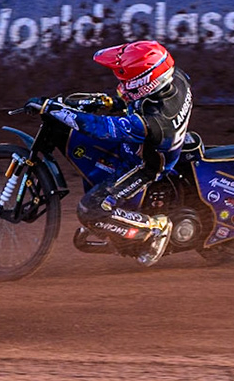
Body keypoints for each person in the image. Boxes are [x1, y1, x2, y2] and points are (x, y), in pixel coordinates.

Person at [47, 41, 193, 267]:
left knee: (91, 210)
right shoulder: (176, 78)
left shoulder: (152, 122)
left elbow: (103, 128)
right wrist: (108, 101)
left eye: (127, 79)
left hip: (145, 164)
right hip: (151, 144)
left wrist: (55, 110)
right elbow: (128, 103)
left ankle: (155, 227)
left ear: (146, 82)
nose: (121, 83)